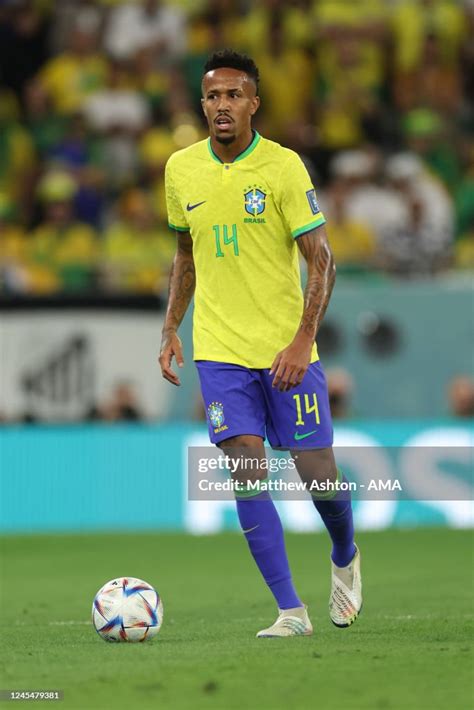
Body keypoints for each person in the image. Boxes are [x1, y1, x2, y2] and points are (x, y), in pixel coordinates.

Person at [159, 49, 362, 638]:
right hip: (218, 351)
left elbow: (321, 259)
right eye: (212, 96)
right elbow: (185, 255)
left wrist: (303, 340)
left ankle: (345, 554)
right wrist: (172, 326)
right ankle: (290, 612)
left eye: (233, 95)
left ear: (253, 103)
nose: (222, 106)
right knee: (246, 465)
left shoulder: (283, 168)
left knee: (317, 471)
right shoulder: (180, 169)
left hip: (284, 351)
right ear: (202, 104)